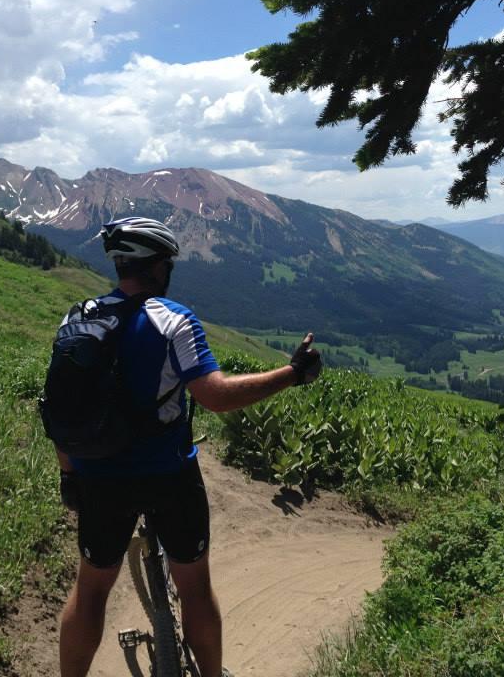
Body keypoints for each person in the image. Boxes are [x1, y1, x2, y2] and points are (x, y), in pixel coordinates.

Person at [55, 216, 322, 677]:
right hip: (167, 476)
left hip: (98, 475)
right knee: (195, 587)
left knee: (91, 591)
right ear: (160, 266)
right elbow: (215, 397)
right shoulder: (174, 319)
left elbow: (60, 409)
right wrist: (293, 373)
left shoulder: (78, 317)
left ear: (121, 265)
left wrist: (69, 474)